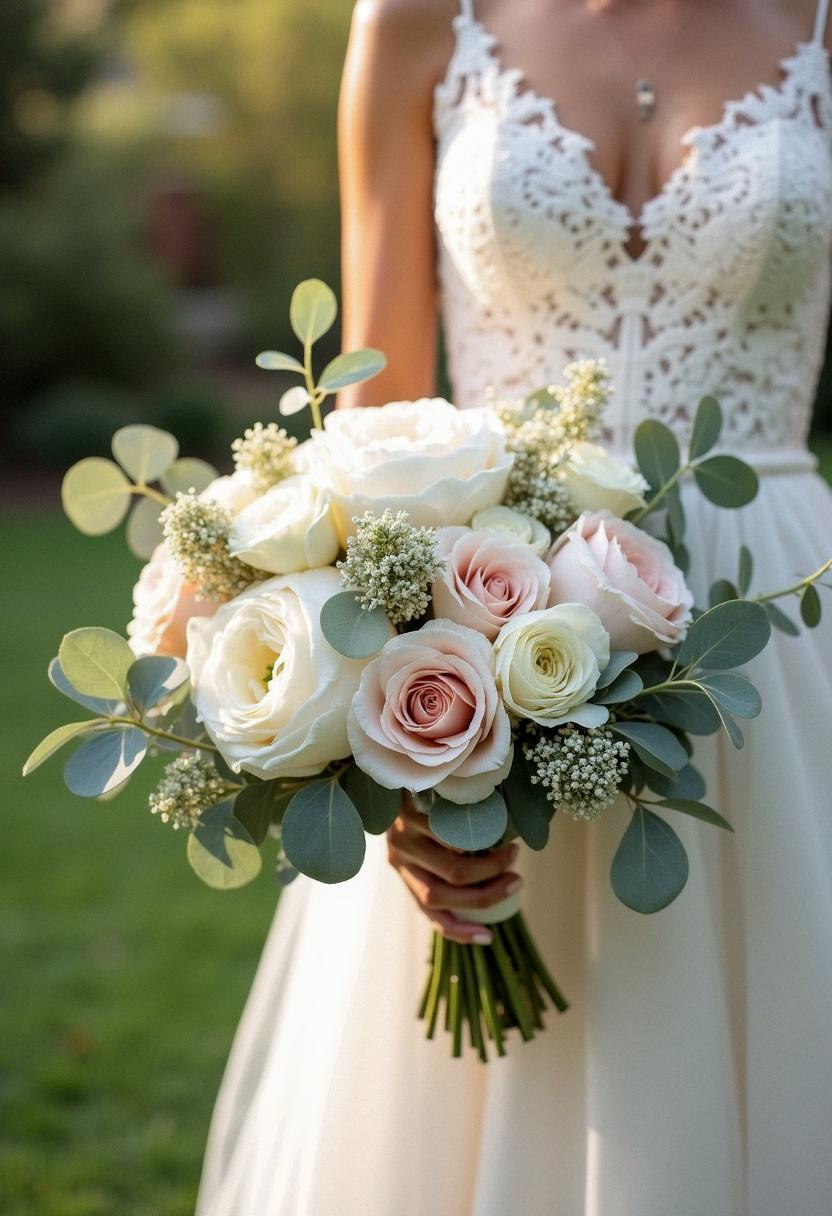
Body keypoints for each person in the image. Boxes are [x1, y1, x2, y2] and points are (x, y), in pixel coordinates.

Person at [197, 2, 832, 1212]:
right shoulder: (419, 18)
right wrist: (387, 737)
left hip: (782, 618)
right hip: (487, 581)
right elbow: (366, 408)